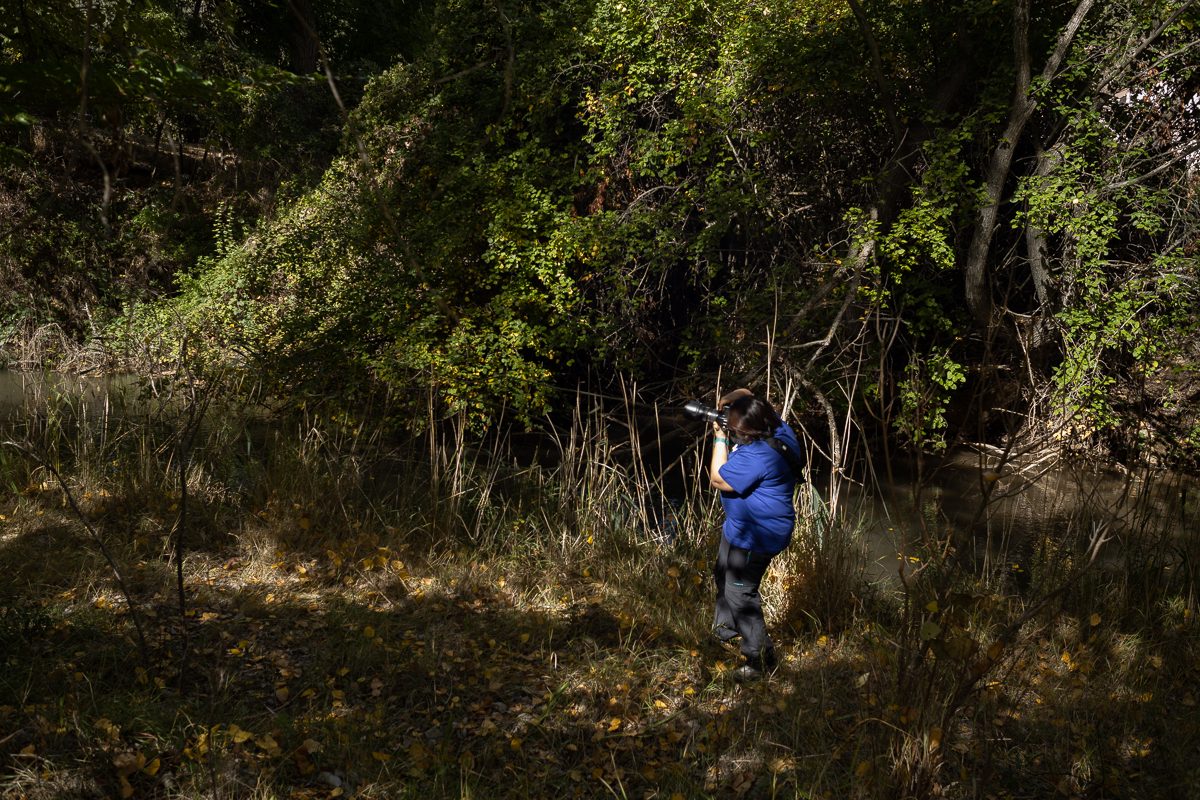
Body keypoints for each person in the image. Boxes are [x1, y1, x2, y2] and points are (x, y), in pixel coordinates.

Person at [708, 388, 800, 680]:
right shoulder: (774, 424)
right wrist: (727, 404)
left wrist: (720, 436)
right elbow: (746, 393)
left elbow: (717, 478)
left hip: (757, 536)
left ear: (750, 431)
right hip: (739, 528)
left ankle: (760, 660)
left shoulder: (759, 455)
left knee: (740, 592)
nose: (733, 432)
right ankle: (726, 630)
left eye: (736, 430)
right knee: (722, 572)